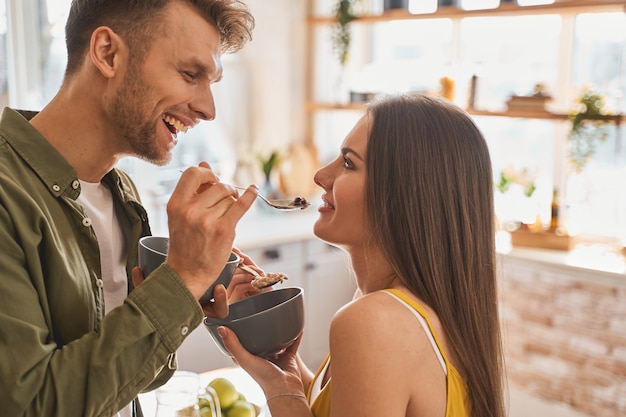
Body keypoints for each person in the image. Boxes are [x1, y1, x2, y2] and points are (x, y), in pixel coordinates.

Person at [0, 1, 263, 416]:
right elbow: (31, 404)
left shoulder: (120, 191)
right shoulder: (6, 195)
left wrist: (184, 297)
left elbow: (121, 377)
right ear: (107, 53)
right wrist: (181, 279)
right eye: (189, 74)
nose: (208, 109)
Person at [220, 93, 506, 417]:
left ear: (402, 195)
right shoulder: (409, 310)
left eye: (348, 163)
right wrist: (278, 361)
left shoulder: (375, 322)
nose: (320, 176)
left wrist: (279, 392)